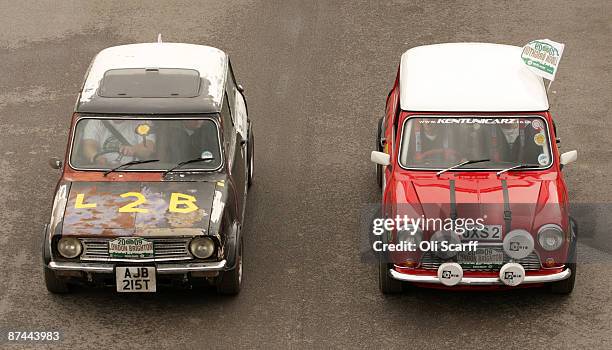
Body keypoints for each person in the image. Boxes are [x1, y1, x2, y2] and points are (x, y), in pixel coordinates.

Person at [81, 119, 155, 166]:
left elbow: (148, 148)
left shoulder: (143, 121)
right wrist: (96, 157)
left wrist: (133, 149)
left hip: (134, 169)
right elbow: (89, 146)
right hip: (105, 170)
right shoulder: (96, 121)